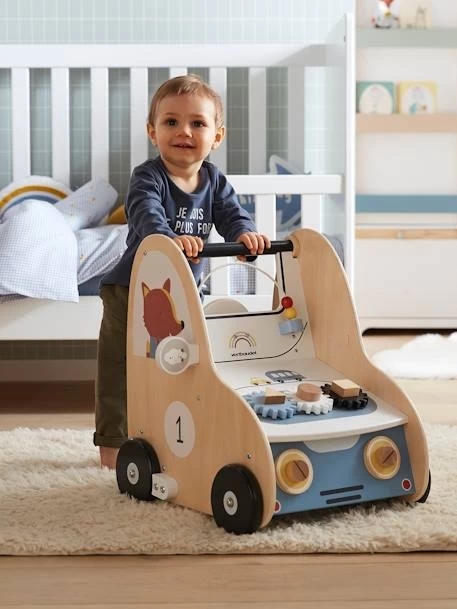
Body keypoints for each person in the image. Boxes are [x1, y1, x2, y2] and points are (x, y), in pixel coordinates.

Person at [94, 74, 271, 469]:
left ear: (217, 136)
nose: (184, 131)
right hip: (131, 291)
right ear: (152, 131)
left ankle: (176, 435)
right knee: (120, 369)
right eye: (171, 122)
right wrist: (169, 237)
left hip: (184, 296)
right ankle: (112, 444)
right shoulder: (148, 176)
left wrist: (244, 235)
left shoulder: (215, 181)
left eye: (197, 123)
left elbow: (233, 215)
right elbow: (146, 215)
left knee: (184, 365)